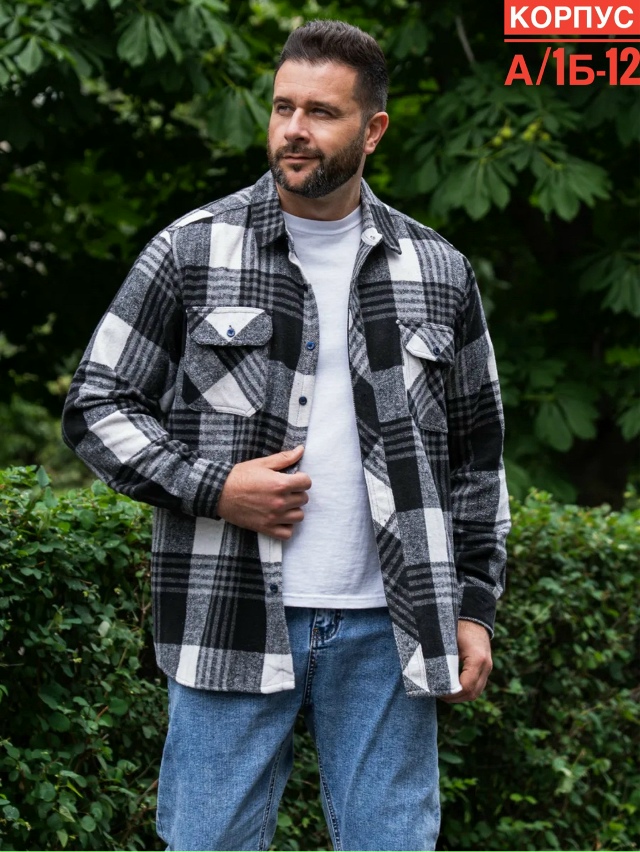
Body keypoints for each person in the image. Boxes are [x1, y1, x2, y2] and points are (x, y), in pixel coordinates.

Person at [62, 19, 510, 852]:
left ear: (373, 129)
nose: (294, 129)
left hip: (390, 628)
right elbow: (96, 405)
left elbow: (476, 460)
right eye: (282, 107)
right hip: (228, 611)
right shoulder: (191, 250)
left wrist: (475, 608)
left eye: (322, 112)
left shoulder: (437, 269)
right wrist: (215, 488)